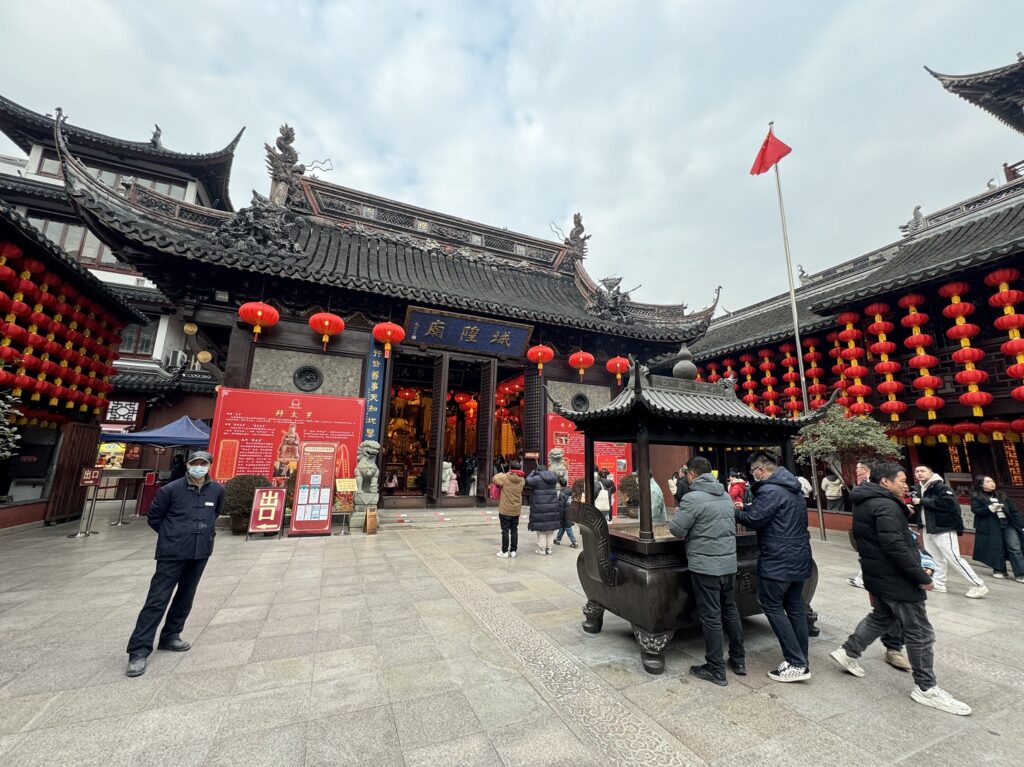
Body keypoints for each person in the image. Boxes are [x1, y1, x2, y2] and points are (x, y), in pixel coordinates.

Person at [830, 462, 972, 716]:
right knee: (919, 632)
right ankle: (926, 688)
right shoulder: (884, 505)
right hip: (894, 576)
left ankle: (848, 651)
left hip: (878, 573)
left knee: (882, 617)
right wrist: (919, 575)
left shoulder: (866, 500)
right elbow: (895, 545)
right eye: (902, 480)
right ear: (885, 481)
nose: (906, 484)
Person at [125, 450, 224, 677]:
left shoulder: (217, 490)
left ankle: (171, 635)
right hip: (172, 552)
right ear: (188, 465)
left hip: (200, 551)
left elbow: (215, 513)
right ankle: (138, 651)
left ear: (209, 465)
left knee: (186, 596)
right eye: (195, 463)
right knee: (157, 599)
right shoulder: (170, 490)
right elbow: (155, 517)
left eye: (204, 463)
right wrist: (172, 535)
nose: (199, 467)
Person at [736, 452, 812, 682]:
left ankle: (796, 662)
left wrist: (735, 512)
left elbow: (755, 519)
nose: (752, 477)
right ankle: (802, 658)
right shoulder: (793, 489)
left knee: (771, 604)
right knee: (795, 607)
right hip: (799, 555)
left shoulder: (770, 490)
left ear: (760, 470)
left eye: (753, 472)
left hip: (779, 557)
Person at [669, 457, 745, 686]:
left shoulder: (692, 498)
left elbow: (676, 529)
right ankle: (739, 660)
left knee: (711, 616)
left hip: (705, 566)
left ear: (692, 474)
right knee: (730, 610)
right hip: (728, 564)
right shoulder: (724, 495)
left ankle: (715, 668)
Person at [911, 465, 987, 598]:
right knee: (935, 558)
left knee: (954, 558)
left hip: (943, 528)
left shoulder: (941, 487)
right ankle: (939, 583)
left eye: (922, 471)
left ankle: (978, 584)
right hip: (927, 528)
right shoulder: (919, 489)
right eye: (917, 471)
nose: (919, 473)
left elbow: (949, 504)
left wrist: (922, 501)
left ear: (931, 472)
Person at [970, 475, 1024, 582]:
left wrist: (1021, 525)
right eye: (988, 481)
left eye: (992, 481)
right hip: (991, 526)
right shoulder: (977, 496)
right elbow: (976, 510)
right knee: (997, 547)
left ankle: (1021, 574)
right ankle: (999, 570)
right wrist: (989, 508)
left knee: (1014, 547)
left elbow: (1014, 511)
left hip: (1008, 524)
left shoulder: (1002, 495)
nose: (992, 483)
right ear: (981, 484)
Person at [847, 459, 873, 589]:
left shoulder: (872, 483)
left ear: (864, 469)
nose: (856, 470)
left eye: (858, 468)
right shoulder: (864, 483)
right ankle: (861, 577)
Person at [494, 459, 525, 558]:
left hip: (505, 509)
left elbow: (495, 478)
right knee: (514, 530)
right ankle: (513, 551)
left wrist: (500, 473)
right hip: (516, 510)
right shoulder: (522, 480)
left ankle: (504, 551)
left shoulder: (505, 477)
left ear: (510, 468)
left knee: (505, 531)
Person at [527, 464, 561, 555]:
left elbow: (528, 480)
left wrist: (532, 472)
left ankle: (542, 549)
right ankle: (549, 549)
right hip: (552, 505)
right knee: (550, 528)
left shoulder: (536, 478)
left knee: (541, 529)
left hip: (540, 506)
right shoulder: (553, 477)